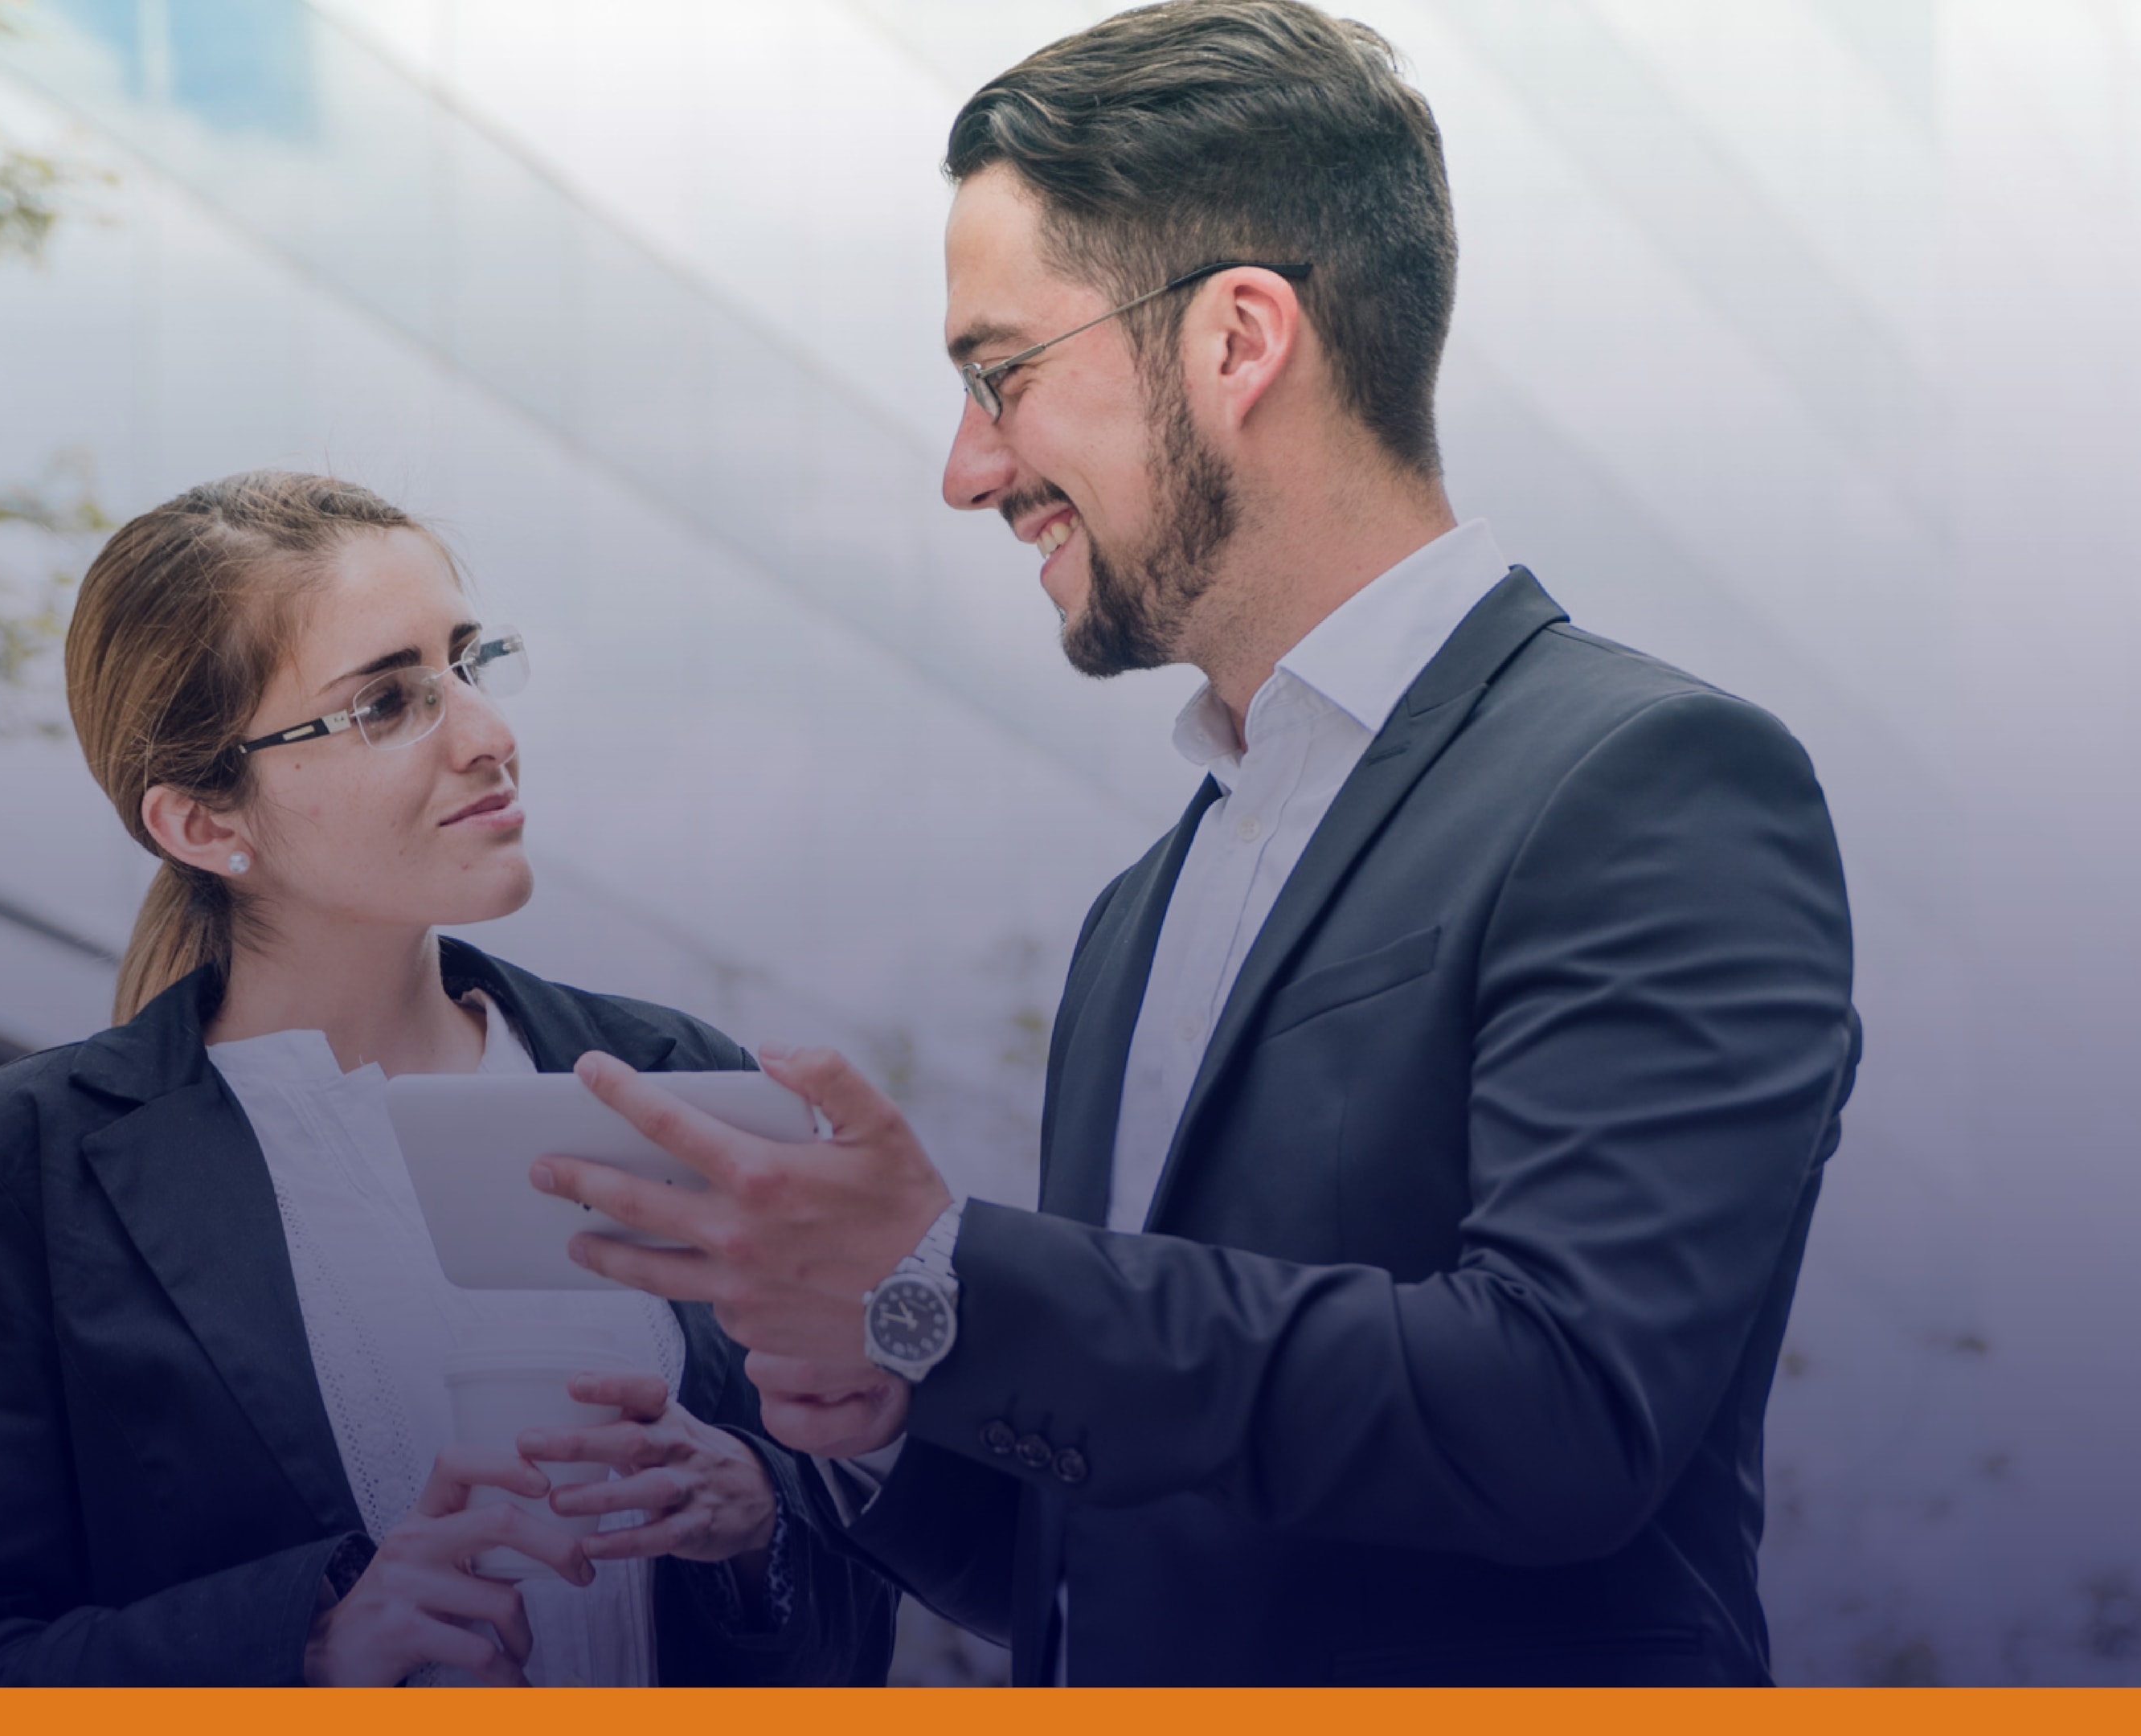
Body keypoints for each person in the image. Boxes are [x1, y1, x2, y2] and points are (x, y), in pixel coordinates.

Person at [528, 0, 1863, 1687]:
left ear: (1240, 342)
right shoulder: (1136, 917)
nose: (966, 471)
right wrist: (891, 1398)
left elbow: (1563, 1411)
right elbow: (1107, 1560)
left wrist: (946, 1276)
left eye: (1000, 373)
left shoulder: (1650, 779)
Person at [0, 472, 896, 1686]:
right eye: (388, 702)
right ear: (203, 825)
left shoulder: (672, 1086)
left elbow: (860, 1603)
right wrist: (311, 1645)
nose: (489, 737)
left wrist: (761, 1519)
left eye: (470, 663)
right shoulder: (26, 1168)